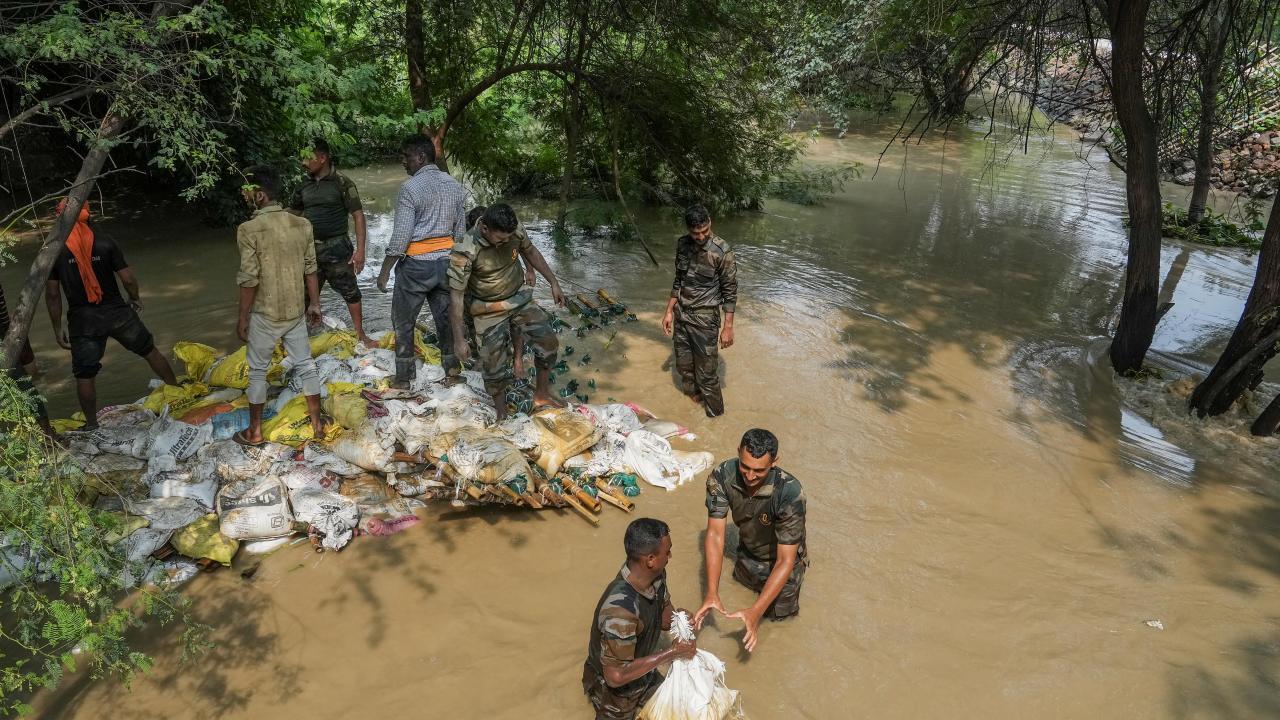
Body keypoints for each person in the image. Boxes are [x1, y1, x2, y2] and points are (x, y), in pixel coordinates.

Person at [44, 200, 178, 429]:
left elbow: (53, 295)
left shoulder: (54, 251)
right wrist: (134, 298)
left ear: (60, 220)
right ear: (88, 215)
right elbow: (128, 279)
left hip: (83, 321)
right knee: (149, 350)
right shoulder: (106, 242)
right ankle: (177, 392)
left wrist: (57, 329)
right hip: (117, 313)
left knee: (85, 375)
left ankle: (92, 425)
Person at [232, 166, 326, 446]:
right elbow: (311, 269)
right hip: (295, 310)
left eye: (248, 192)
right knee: (306, 366)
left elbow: (249, 279)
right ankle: (318, 426)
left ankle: (255, 432)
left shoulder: (249, 229)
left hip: (265, 313)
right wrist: (315, 304)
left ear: (260, 195)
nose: (245, 196)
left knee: (258, 371)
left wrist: (242, 317)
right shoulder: (302, 225)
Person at [694, 428, 807, 653]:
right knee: (741, 589)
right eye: (745, 466)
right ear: (738, 453)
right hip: (748, 553)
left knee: (779, 622)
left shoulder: (790, 493)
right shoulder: (721, 476)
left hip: (784, 564)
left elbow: (786, 560)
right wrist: (711, 592)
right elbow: (715, 535)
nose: (750, 476)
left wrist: (756, 613)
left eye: (759, 470)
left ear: (774, 462)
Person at [448, 203, 564, 421]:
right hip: (487, 309)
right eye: (500, 239)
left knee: (548, 343)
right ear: (484, 229)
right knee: (493, 365)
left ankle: (541, 394)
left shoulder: (513, 229)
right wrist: (459, 340)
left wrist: (553, 282)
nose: (505, 243)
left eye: (507, 239)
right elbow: (456, 297)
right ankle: (501, 411)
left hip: (519, 299)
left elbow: (530, 251)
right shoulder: (465, 250)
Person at [582, 518, 697, 720]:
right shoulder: (621, 610)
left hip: (641, 672)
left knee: (686, 709)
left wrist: (680, 620)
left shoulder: (655, 576)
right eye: (667, 551)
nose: (670, 556)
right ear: (650, 559)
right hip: (614, 692)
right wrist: (671, 653)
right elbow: (615, 677)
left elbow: (663, 620)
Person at [378, 135, 468, 387]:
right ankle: (451, 370)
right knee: (446, 319)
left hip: (417, 266)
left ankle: (404, 377)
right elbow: (459, 234)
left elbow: (401, 237)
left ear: (420, 157)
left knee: (403, 321)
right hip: (446, 263)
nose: (403, 163)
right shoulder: (454, 186)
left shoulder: (410, 188)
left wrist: (385, 271)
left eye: (406, 157)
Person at [289, 138, 374, 346]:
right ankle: (304, 339)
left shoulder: (342, 183)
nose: (303, 163)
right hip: (309, 250)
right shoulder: (303, 185)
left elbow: (358, 216)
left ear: (323, 158)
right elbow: (293, 213)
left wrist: (360, 251)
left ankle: (360, 334)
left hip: (337, 247)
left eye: (307, 158)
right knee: (304, 297)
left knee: (350, 292)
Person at [661, 204, 737, 417]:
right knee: (684, 366)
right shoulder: (683, 244)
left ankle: (716, 417)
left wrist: (728, 327)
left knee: (707, 376)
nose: (701, 236)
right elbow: (678, 280)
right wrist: (668, 311)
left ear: (710, 222)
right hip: (681, 315)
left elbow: (730, 292)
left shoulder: (722, 251)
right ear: (688, 230)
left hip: (705, 320)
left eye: (705, 231)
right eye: (696, 233)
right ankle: (693, 404)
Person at [465, 205, 535, 380]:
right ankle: (483, 354)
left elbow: (525, 248)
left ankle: (516, 358)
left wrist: (530, 270)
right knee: (473, 321)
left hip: (507, 281)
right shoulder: (468, 237)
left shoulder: (506, 228)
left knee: (516, 324)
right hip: (478, 287)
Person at [2, 282, 55, 438]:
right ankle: (47, 434)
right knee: (26, 386)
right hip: (7, 338)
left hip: (7, 337)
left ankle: (47, 434)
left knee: (26, 385)